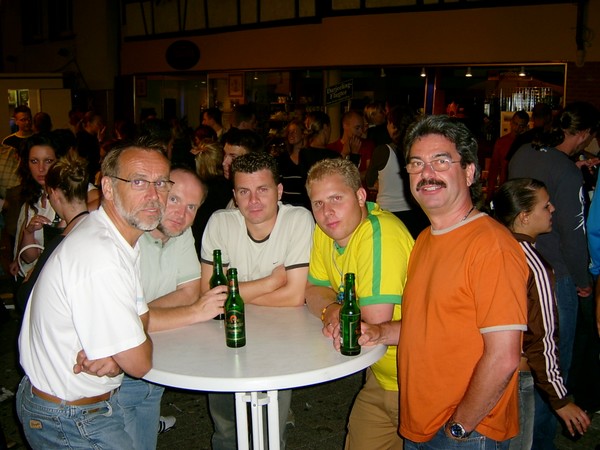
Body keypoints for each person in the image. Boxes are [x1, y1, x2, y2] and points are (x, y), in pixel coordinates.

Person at [16, 136, 170, 449]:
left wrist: (117, 353)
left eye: (162, 183)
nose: (154, 195)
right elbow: (140, 364)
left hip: (77, 406)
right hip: (67, 418)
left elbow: (141, 317)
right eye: (139, 182)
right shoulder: (101, 256)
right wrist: (124, 353)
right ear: (108, 188)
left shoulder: (115, 236)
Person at [397, 115, 528, 448]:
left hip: (465, 431)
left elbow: (504, 357)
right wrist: (378, 332)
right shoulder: (425, 239)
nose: (427, 173)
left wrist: (460, 427)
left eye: (441, 161)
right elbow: (433, 326)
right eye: (416, 163)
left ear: (469, 172)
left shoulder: (491, 246)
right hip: (419, 421)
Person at [200, 151, 314, 450]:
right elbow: (209, 296)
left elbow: (295, 297)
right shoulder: (220, 223)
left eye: (262, 189)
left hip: (281, 338)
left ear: (279, 191)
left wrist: (233, 296)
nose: (253, 201)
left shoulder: (298, 219)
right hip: (225, 337)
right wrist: (271, 283)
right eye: (244, 191)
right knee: (226, 429)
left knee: (269, 431)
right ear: (234, 195)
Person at [304, 157, 413, 450]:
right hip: (381, 376)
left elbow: (374, 321)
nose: (327, 212)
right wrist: (332, 310)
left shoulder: (379, 234)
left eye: (336, 198)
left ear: (361, 196)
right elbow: (313, 290)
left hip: (422, 382)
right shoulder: (326, 230)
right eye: (318, 203)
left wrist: (333, 311)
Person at [508, 101, 599, 449]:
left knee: (525, 359)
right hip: (556, 274)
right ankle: (541, 441)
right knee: (554, 362)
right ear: (583, 134)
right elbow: (575, 235)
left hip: (517, 264)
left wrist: (571, 168)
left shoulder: (524, 152)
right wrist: (583, 282)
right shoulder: (567, 172)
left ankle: (519, 434)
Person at [117, 167, 227, 450]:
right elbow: (121, 324)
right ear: (157, 194)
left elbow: (188, 291)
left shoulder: (180, 233)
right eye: (175, 199)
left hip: (154, 353)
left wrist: (141, 317)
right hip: (113, 369)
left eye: (191, 207)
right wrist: (195, 312)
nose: (181, 213)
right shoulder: (126, 238)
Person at [492, 178, 591, 449]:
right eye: (546, 206)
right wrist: (560, 400)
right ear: (524, 217)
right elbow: (542, 338)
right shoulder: (535, 267)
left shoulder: (492, 247)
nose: (553, 209)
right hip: (517, 376)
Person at [16, 153, 91, 313]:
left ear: (55, 194)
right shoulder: (97, 226)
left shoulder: (60, 244)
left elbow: (25, 298)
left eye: (49, 195)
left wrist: (29, 279)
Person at [365, 105, 429, 238]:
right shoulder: (417, 149)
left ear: (392, 125)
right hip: (414, 212)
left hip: (388, 212)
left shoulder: (383, 151)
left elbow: (369, 181)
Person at [9, 133, 66, 280]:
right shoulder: (33, 198)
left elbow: (97, 198)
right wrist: (19, 253)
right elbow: (29, 257)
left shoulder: (71, 193)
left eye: (48, 161)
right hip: (32, 278)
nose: (41, 168)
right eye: (34, 161)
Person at [485, 110, 530, 202]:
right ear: (511, 123)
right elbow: (493, 169)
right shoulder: (501, 143)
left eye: (521, 126)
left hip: (522, 189)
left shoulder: (529, 145)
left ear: (526, 127)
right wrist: (490, 193)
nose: (517, 128)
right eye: (515, 124)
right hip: (506, 188)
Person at [327, 110, 375, 176]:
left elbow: (370, 173)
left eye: (362, 128)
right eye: (357, 128)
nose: (361, 132)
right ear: (345, 125)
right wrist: (343, 153)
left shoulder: (368, 145)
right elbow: (333, 174)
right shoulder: (331, 148)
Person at [276, 119, 310, 208]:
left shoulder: (310, 157)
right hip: (287, 206)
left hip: (306, 207)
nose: (291, 134)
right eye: (289, 132)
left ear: (303, 134)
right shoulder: (282, 158)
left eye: (294, 131)